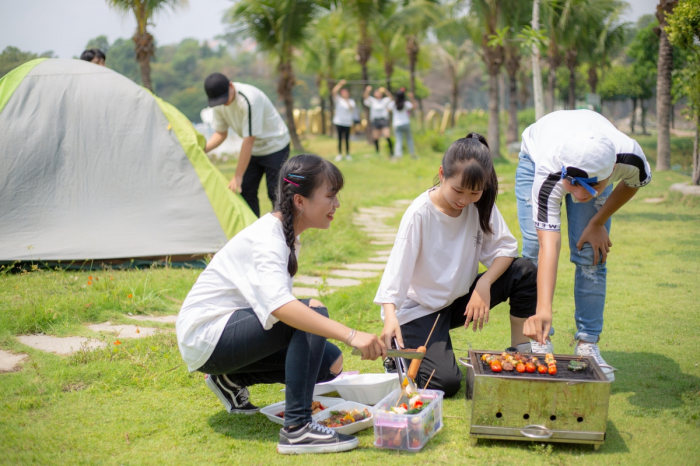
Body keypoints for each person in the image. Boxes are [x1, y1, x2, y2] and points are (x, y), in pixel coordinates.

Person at [176, 154, 386, 454]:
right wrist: (352, 334)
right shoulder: (268, 238)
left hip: (225, 338)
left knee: (331, 363)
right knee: (311, 311)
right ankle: (297, 429)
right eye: (330, 196)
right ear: (300, 201)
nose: (336, 205)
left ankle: (231, 378)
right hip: (206, 335)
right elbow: (280, 307)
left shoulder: (286, 236)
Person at [375, 133, 540, 398]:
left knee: (525, 271)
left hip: (458, 300)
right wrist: (390, 316)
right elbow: (397, 269)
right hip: (420, 310)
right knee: (447, 382)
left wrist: (484, 284)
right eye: (458, 190)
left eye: (474, 192)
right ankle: (397, 359)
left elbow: (506, 249)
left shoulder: (480, 204)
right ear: (442, 174)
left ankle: (521, 351)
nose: (464, 200)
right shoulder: (420, 213)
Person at [515, 109, 652, 382]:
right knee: (533, 250)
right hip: (538, 156)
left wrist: (598, 222)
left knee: (590, 255)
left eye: (590, 186)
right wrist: (544, 310)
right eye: (574, 184)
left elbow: (632, 184)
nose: (578, 195)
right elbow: (548, 247)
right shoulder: (549, 172)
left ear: (611, 171)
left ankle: (588, 345)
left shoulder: (630, 158)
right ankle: (540, 339)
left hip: (585, 166)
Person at [203, 72, 291, 217]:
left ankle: (286, 234)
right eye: (219, 101)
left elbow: (249, 139)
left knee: (276, 193)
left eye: (225, 98)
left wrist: (238, 175)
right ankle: (253, 233)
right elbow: (221, 133)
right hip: (254, 150)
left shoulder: (249, 99)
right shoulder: (219, 104)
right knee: (246, 191)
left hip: (275, 145)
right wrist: (202, 149)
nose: (224, 103)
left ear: (231, 85)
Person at [363, 85, 394, 155]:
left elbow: (391, 98)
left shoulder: (384, 100)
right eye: (376, 92)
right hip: (375, 120)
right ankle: (377, 152)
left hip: (384, 120)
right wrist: (367, 90)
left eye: (379, 92)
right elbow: (365, 97)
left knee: (387, 135)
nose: (378, 94)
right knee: (376, 137)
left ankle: (391, 152)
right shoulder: (372, 101)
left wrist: (385, 91)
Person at [387, 88, 417, 159]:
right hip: (406, 123)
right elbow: (414, 107)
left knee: (398, 140)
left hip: (396, 124)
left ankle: (398, 156)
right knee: (409, 139)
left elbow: (388, 110)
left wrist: (391, 100)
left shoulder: (393, 104)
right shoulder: (406, 104)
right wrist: (412, 98)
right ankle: (412, 154)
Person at [331, 79, 355, 162]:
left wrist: (347, 100)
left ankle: (348, 154)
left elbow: (351, 108)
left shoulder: (351, 101)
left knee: (347, 139)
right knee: (340, 139)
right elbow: (334, 91)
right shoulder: (338, 100)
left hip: (347, 123)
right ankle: (340, 154)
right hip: (339, 122)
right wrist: (340, 84)